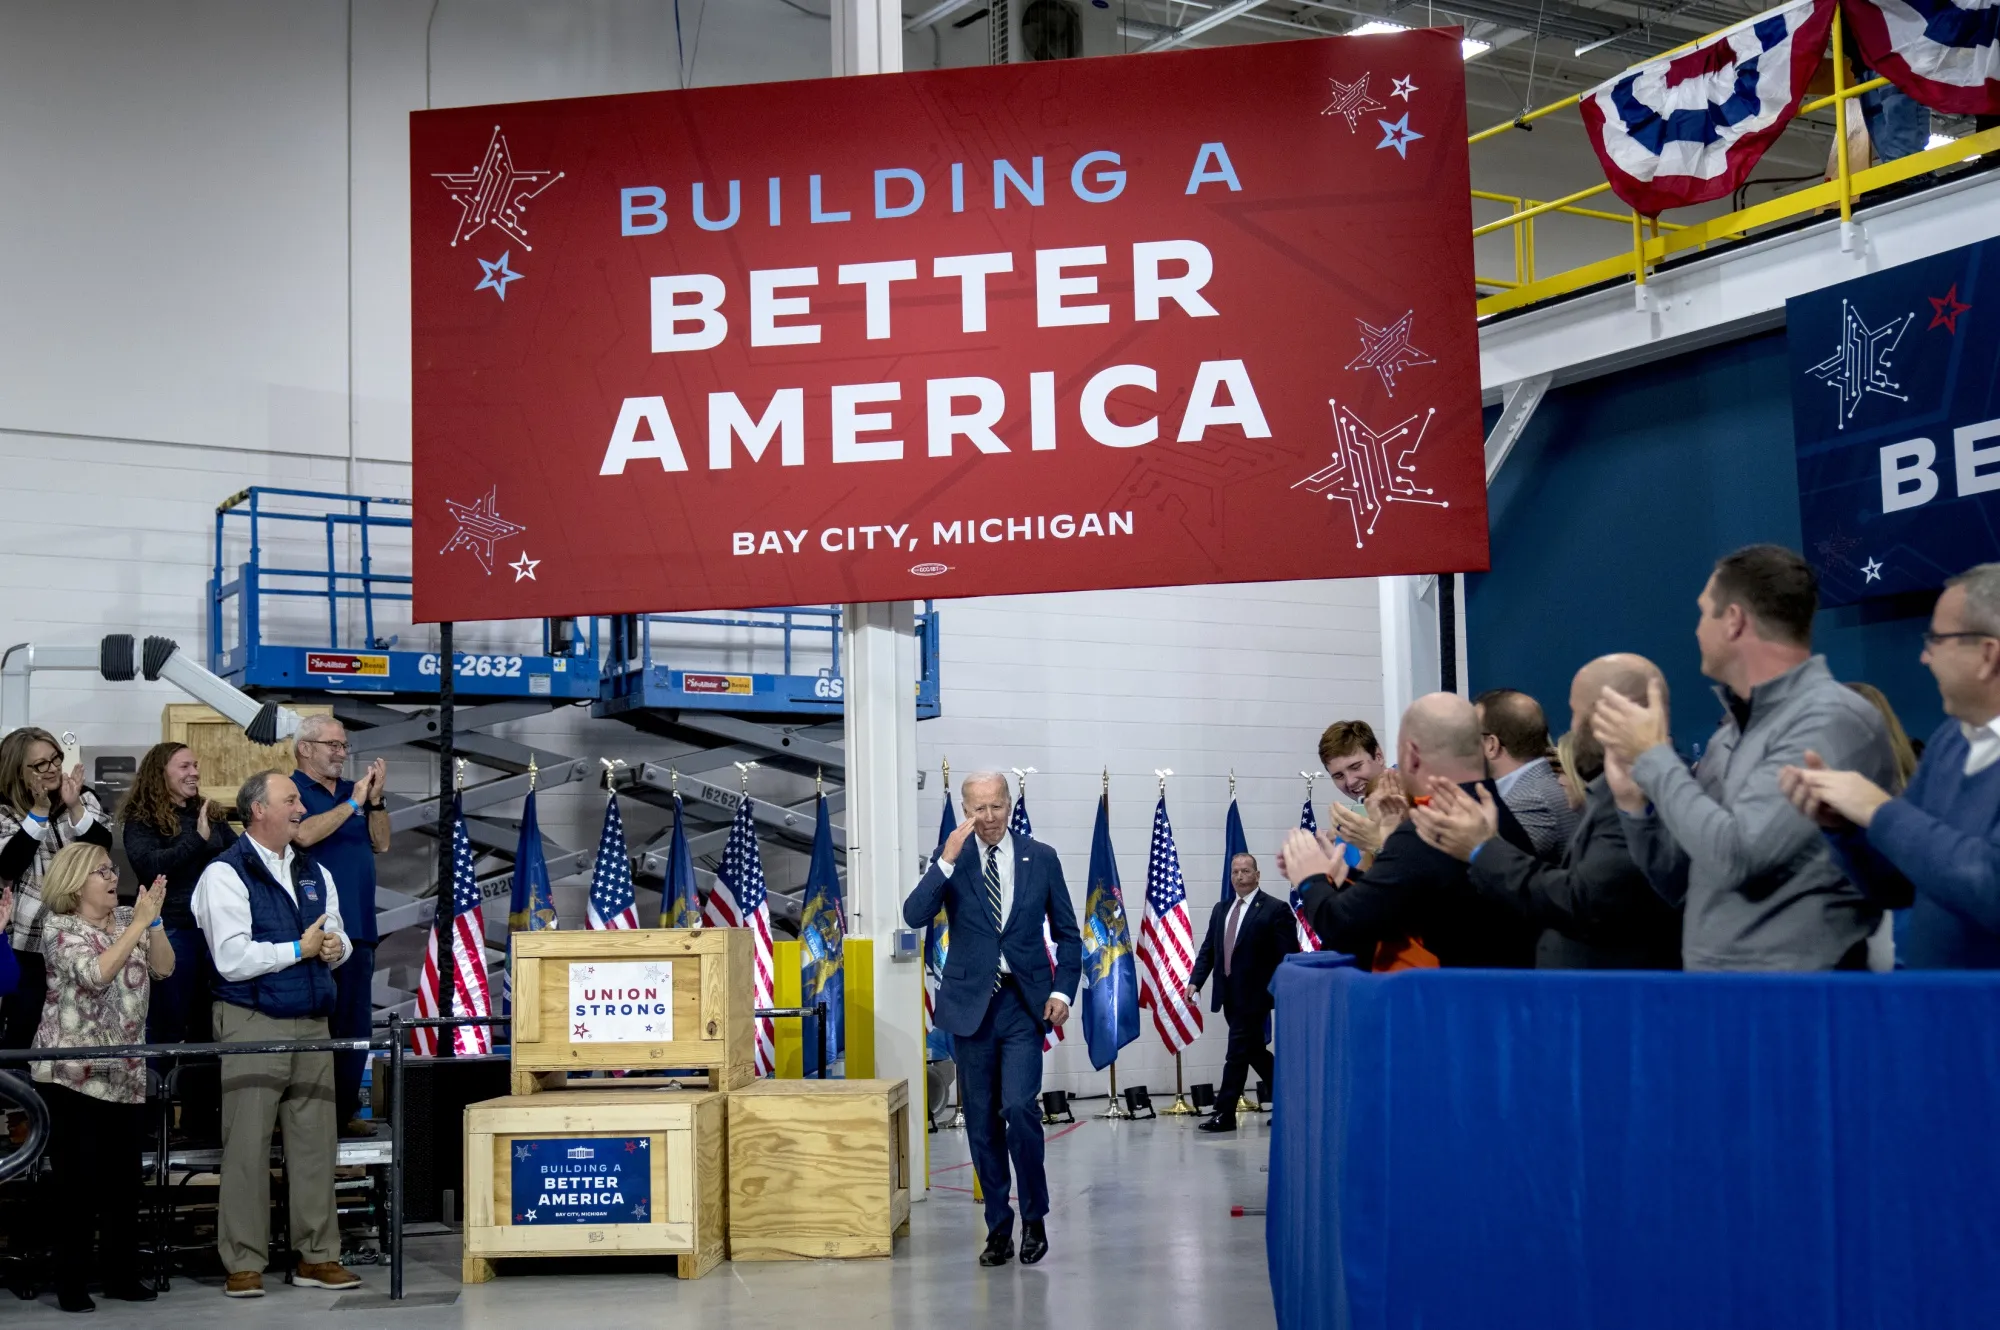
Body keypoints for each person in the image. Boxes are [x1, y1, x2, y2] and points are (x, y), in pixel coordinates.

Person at [1593, 544, 1896, 971]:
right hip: (1720, 991)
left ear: (1733, 620)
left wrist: (1655, 756)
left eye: (1703, 614)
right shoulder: (1726, 738)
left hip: (1799, 998)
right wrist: (1634, 805)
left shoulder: (1831, 719)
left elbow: (1739, 859)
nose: (1697, 630)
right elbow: (1683, 881)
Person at [1779, 564, 2000, 967]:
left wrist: (1879, 812)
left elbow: (1991, 886)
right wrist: (1846, 829)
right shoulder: (1951, 741)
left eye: (1936, 639)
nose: (1924, 657)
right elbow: (1898, 886)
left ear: (1987, 655)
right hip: (1934, 1014)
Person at [193, 771, 361, 1298]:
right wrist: (300, 950)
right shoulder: (225, 873)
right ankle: (243, 1262)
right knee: (246, 1146)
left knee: (316, 1144)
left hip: (313, 1019)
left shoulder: (315, 870)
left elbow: (337, 933)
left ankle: (318, 1255)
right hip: (252, 1020)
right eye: (289, 800)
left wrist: (337, 950)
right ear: (257, 810)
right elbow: (231, 957)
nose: (299, 808)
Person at [902, 772, 1080, 1269]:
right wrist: (944, 860)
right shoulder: (952, 862)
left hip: (1023, 1006)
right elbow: (915, 914)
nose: (988, 818)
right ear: (965, 809)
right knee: (980, 1123)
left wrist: (1063, 989)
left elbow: (1068, 933)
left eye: (996, 806)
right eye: (978, 809)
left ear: (1009, 804)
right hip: (970, 1010)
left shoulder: (1040, 857)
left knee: (1020, 1108)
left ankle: (1036, 1217)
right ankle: (999, 1228)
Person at [1413, 656, 1683, 969]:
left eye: (1576, 714)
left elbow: (1581, 902)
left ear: (1610, 717)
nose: (1570, 729)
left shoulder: (1635, 796)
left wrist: (1482, 846)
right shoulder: (1619, 792)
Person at [1282, 694, 1540, 968]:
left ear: (1411, 756)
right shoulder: (1493, 810)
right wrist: (1343, 875)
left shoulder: (1430, 827)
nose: (1351, 782)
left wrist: (1311, 878)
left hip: (1452, 1001)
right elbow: (1407, 891)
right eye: (1339, 775)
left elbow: (1344, 924)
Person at [31, 843, 173, 1311]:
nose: (113, 877)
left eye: (113, 869)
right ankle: (71, 1282)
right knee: (78, 1184)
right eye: (102, 872)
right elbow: (95, 974)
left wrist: (152, 922)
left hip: (126, 1072)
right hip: (73, 1073)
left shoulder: (130, 917)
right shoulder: (58, 927)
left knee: (123, 1182)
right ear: (75, 882)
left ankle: (121, 1275)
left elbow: (165, 967)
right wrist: (137, 925)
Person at [288, 716, 389, 1137]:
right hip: (310, 931)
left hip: (359, 928)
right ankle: (301, 1120)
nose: (340, 753)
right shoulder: (290, 792)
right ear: (305, 748)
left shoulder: (356, 793)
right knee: (312, 1025)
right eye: (331, 744)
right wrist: (353, 805)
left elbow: (381, 842)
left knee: (354, 1026)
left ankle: (342, 1113)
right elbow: (305, 836)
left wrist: (376, 803)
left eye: (344, 746)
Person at [0, 727, 113, 1050]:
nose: (51, 768)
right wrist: (38, 812)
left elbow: (103, 846)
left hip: (84, 935)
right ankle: (17, 1097)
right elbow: (8, 865)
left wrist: (74, 805)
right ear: (17, 772)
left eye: (55, 759)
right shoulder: (5, 810)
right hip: (30, 940)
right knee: (25, 1022)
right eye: (39, 765)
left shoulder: (80, 795)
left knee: (79, 1022)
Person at [120, 741, 237, 1047]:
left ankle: (199, 1093)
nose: (194, 773)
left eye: (195, 766)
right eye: (184, 767)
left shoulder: (208, 812)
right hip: (171, 929)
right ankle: (158, 1091)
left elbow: (237, 856)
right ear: (160, 774)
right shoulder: (141, 819)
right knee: (168, 1021)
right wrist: (197, 840)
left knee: (208, 1022)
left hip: (214, 929)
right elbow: (151, 867)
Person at [1186, 852, 1297, 1132]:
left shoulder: (1275, 908)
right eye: (1235, 872)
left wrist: (1280, 990)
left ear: (1257, 875)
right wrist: (1195, 981)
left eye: (1246, 871)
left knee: (1236, 1053)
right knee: (1254, 1052)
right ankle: (1292, 1104)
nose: (1240, 876)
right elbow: (1209, 950)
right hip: (1229, 995)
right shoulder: (1221, 909)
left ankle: (1225, 1114)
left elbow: (1288, 954)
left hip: (1257, 996)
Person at [1475, 689, 1579, 859]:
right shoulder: (1544, 785)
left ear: (1491, 745)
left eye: (1472, 736)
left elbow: (1499, 870)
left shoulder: (1529, 802)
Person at [1317, 719, 1389, 804]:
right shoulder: (1358, 813)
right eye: (1339, 776)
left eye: (1355, 767)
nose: (1350, 782)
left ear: (1378, 757)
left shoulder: (1408, 796)